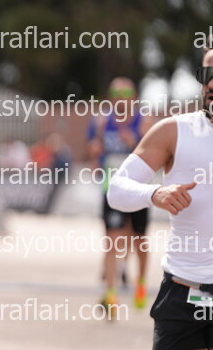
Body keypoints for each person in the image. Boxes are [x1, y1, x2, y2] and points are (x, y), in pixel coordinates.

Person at [107, 49, 213, 349]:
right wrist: (154, 193)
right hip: (182, 294)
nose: (212, 83)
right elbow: (117, 189)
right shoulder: (173, 131)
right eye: (207, 74)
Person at [87, 77, 152, 311]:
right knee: (112, 240)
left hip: (137, 188)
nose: (120, 100)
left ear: (134, 97)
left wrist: (133, 142)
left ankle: (140, 285)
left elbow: (153, 156)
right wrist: (96, 155)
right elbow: (93, 151)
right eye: (116, 95)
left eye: (125, 95)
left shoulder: (144, 122)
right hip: (111, 188)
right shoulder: (102, 121)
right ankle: (111, 294)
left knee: (139, 240)